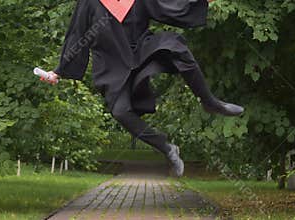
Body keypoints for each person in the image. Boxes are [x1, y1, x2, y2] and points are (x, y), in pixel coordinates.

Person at [41, 0, 244, 177]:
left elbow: (169, 7)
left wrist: (200, 1)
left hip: (141, 51)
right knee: (120, 112)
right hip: (112, 66)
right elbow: (77, 35)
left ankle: (210, 102)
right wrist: (58, 72)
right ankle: (166, 147)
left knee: (176, 48)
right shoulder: (89, 2)